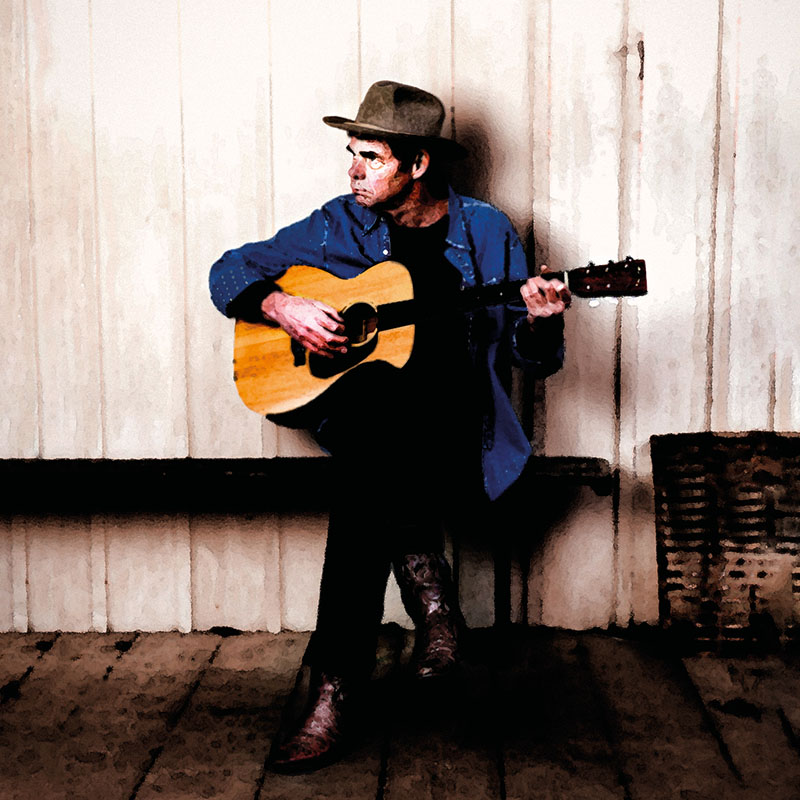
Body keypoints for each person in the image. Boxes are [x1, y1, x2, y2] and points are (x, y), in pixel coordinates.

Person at [209, 80, 571, 772]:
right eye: (352, 154)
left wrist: (540, 321)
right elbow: (228, 271)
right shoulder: (337, 225)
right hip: (375, 438)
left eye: (370, 158)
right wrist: (282, 306)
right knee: (373, 442)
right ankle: (427, 588)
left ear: (419, 164)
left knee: (364, 481)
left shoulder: (487, 232)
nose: (352, 171)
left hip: (459, 438)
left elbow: (534, 362)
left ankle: (334, 689)